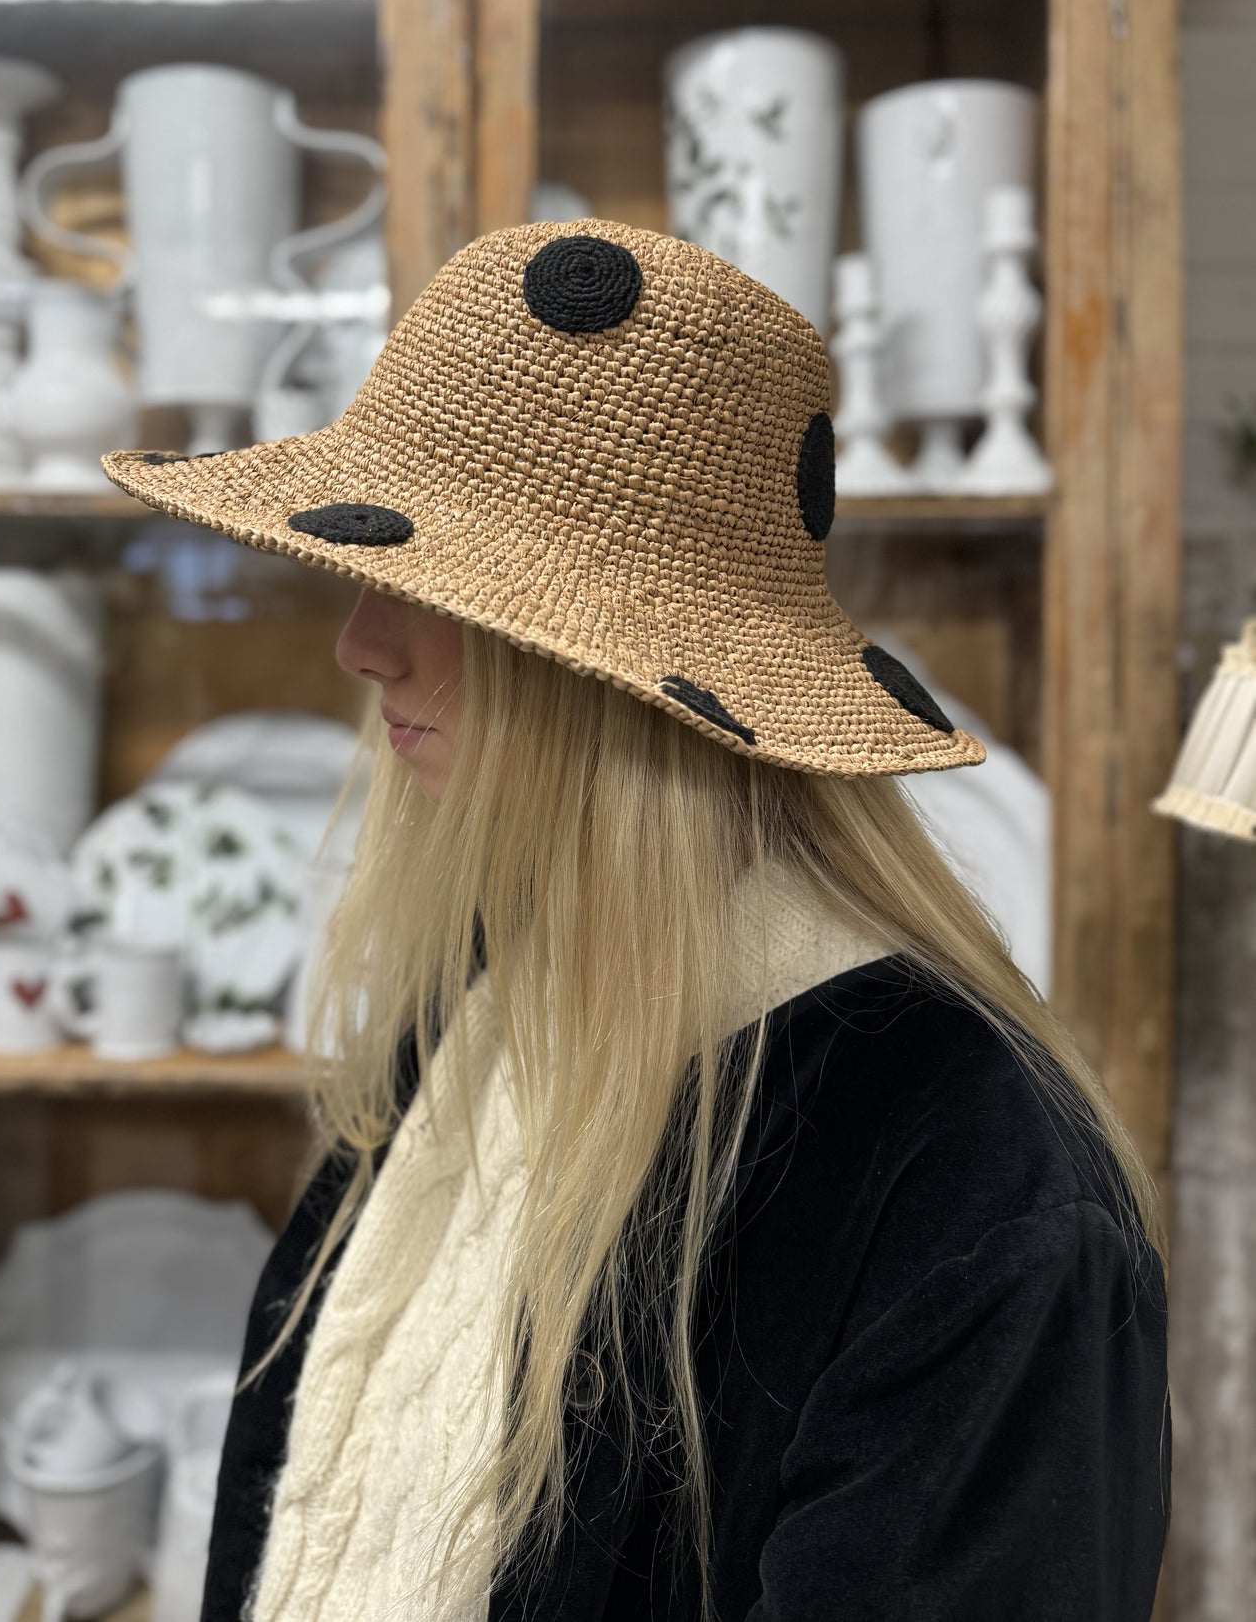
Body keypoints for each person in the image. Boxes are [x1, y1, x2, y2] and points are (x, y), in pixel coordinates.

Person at [106, 222, 1170, 1622]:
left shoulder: (964, 1177)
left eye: (431, 589)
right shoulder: (493, 1001)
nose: (359, 644)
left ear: (605, 673)